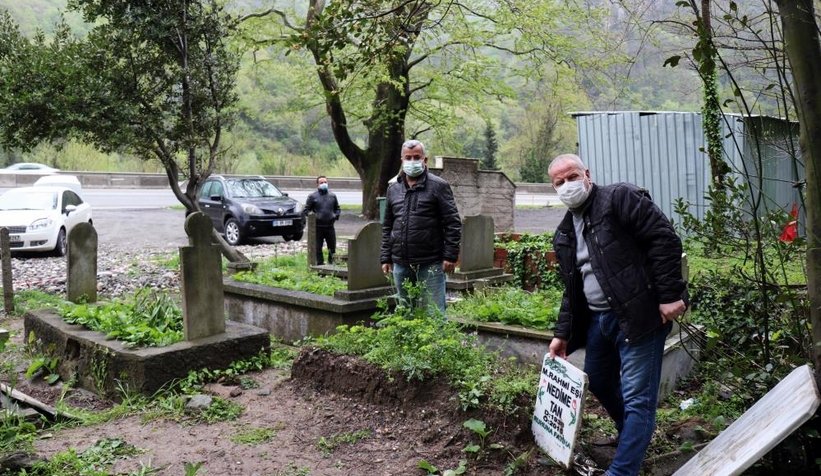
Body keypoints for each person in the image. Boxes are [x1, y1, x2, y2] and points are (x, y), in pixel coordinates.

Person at [546, 154, 688, 476]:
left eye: (572, 177)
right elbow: (573, 290)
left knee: (638, 398)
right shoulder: (565, 232)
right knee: (597, 378)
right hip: (600, 320)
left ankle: (622, 470)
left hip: (640, 315)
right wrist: (562, 333)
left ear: (587, 174)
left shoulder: (618, 199)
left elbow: (664, 240)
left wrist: (669, 295)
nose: (567, 186)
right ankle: (632, 436)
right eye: (559, 182)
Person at [380, 139, 461, 313]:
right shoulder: (393, 189)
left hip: (430, 262)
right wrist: (386, 257)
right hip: (401, 262)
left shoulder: (438, 186)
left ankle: (437, 341)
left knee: (434, 313)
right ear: (402, 160)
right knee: (406, 310)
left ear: (425, 160)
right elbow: (387, 225)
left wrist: (450, 256)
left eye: (416, 157)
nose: (412, 161)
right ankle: (408, 341)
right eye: (408, 158)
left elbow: (453, 222)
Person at [304, 175, 341, 265]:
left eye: (325, 182)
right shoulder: (312, 196)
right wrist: (315, 217)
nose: (324, 184)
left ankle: (332, 264)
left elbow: (338, 209)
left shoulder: (332, 196)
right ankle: (320, 265)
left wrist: (335, 216)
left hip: (330, 227)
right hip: (318, 227)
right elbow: (306, 210)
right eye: (321, 182)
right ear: (317, 184)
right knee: (318, 248)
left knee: (332, 248)